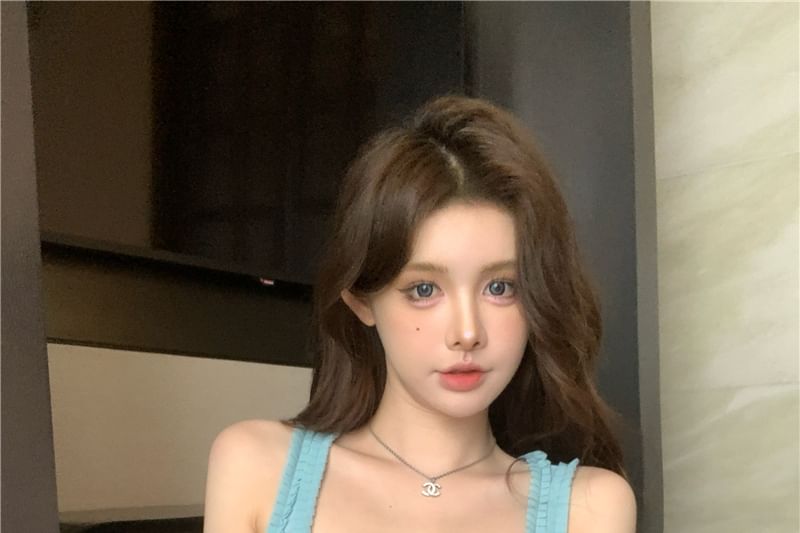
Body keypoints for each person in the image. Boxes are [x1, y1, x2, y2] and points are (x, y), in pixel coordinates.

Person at [203, 95, 637, 533]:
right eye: (424, 290)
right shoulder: (256, 467)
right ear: (362, 302)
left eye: (500, 287)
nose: (467, 332)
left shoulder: (590, 508)